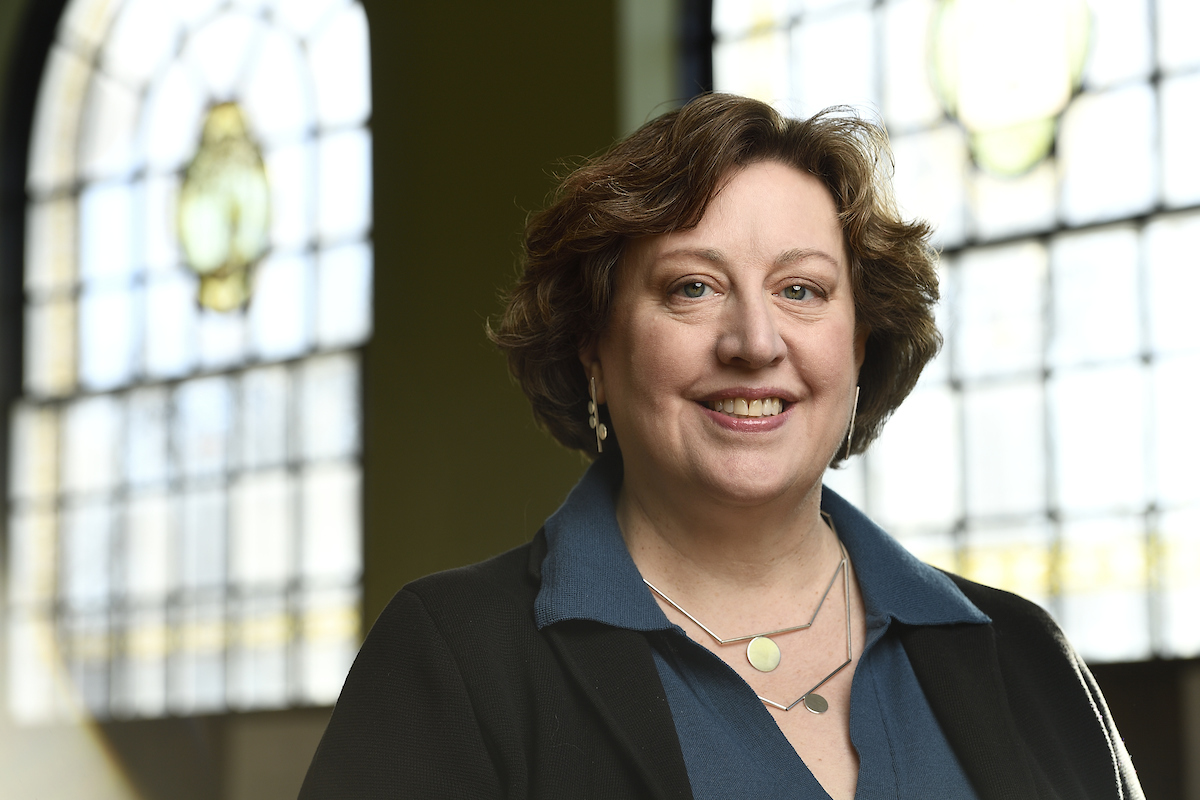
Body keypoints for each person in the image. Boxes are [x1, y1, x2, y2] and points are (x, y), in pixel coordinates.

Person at [299, 94, 1143, 800]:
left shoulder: (1022, 654)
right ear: (595, 345)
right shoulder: (453, 661)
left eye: (802, 289)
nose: (753, 340)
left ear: (859, 345)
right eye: (692, 287)